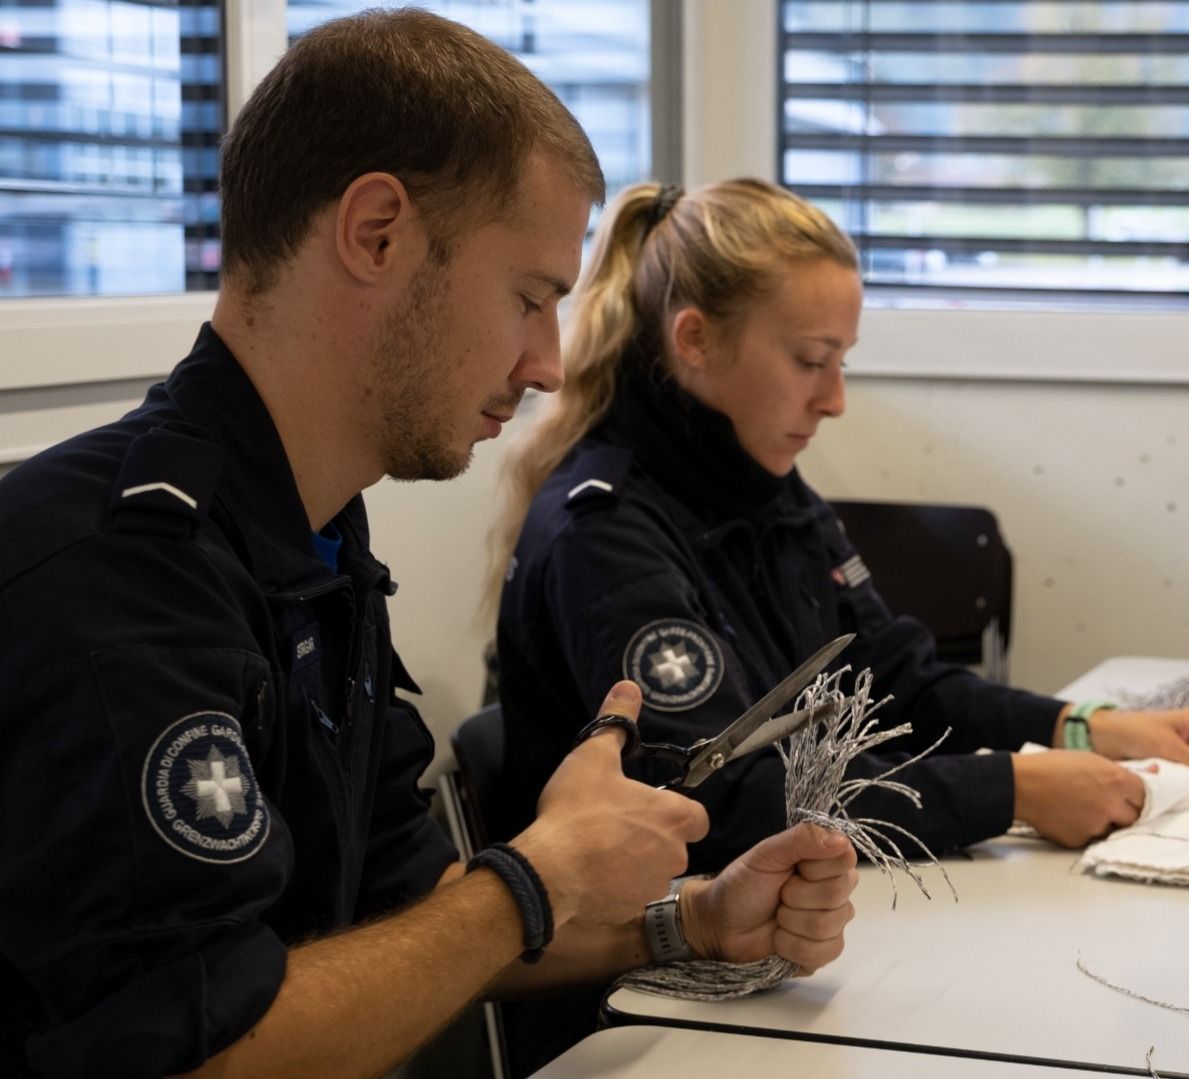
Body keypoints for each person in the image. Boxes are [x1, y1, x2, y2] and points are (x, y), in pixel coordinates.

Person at [0, 14, 856, 1078]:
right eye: (530, 297)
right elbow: (202, 1052)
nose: (548, 362)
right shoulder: (116, 572)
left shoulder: (315, 540)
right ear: (376, 234)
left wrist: (692, 921)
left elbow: (417, 922)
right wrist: (534, 881)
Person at [489, 178, 1189, 874]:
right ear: (695, 340)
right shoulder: (606, 528)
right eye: (810, 360)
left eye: (844, 361)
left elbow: (894, 681)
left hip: (775, 910)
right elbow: (724, 798)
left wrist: (1081, 728)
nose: (834, 399)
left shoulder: (757, 478)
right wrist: (1014, 790)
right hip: (633, 973)